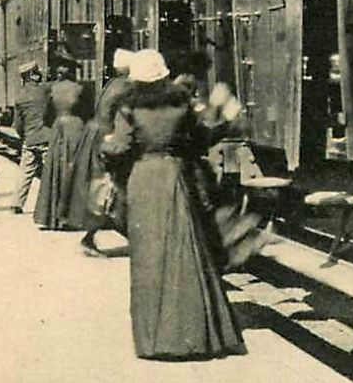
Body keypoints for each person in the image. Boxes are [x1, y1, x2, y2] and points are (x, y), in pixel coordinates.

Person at [101, 49, 248, 360]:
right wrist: (226, 123)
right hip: (176, 178)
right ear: (164, 73)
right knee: (184, 252)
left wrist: (107, 150)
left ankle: (155, 341)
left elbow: (120, 148)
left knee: (149, 259)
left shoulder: (128, 106)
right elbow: (199, 140)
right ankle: (192, 335)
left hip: (144, 181)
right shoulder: (180, 103)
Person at [78, 48, 136, 256]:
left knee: (108, 187)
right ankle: (93, 236)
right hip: (109, 137)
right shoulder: (127, 87)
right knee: (114, 187)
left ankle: (92, 236)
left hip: (97, 135)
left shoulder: (112, 83)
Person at [34, 60, 92, 230]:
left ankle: (53, 217)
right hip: (76, 128)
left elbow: (46, 114)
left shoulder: (51, 89)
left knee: (55, 170)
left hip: (58, 128)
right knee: (74, 170)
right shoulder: (81, 89)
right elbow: (89, 112)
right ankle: (72, 217)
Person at [12, 61, 54, 214]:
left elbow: (17, 125)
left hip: (30, 139)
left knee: (25, 171)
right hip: (46, 138)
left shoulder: (20, 97)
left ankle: (17, 203)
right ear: (32, 75)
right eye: (37, 73)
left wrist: (25, 136)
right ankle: (49, 205)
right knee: (49, 172)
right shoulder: (44, 91)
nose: (40, 75)